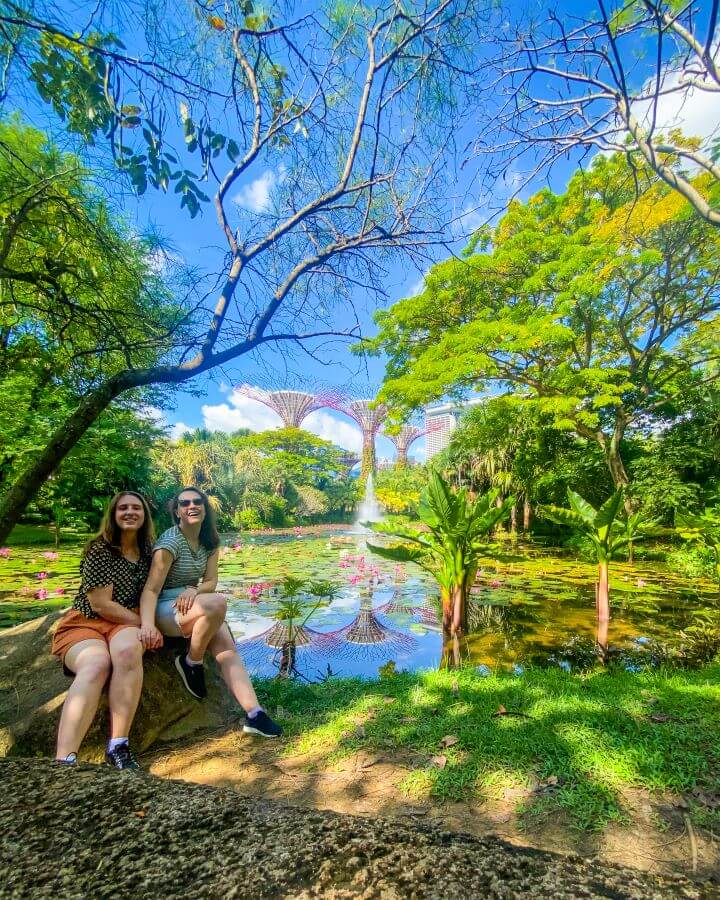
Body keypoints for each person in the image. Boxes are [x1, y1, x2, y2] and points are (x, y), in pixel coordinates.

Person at [139, 486, 282, 738]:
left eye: (197, 502)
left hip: (193, 602)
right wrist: (147, 625)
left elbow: (211, 581)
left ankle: (254, 714)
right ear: (177, 512)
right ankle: (191, 662)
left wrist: (194, 591)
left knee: (226, 647)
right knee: (217, 603)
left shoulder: (210, 540)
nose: (191, 506)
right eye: (185, 503)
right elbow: (151, 589)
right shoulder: (169, 543)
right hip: (165, 606)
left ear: (205, 508)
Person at [51, 491, 154, 769]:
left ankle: (118, 746)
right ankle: (64, 758)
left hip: (125, 623)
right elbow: (100, 605)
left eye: (136, 508)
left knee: (129, 651)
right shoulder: (100, 549)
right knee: (96, 664)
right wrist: (145, 625)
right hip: (88, 621)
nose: (130, 512)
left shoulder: (150, 551)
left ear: (145, 516)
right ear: (113, 514)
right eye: (123, 508)